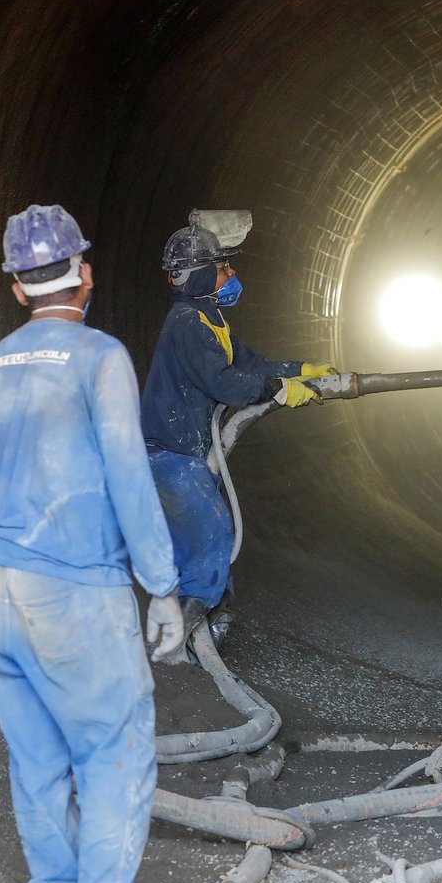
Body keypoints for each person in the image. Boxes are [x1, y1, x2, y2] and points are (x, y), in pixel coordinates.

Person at [0, 204, 186, 883]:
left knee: (38, 757)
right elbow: (129, 474)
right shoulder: (100, 358)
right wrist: (162, 587)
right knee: (115, 747)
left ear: (19, 291)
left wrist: (0, 584)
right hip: (73, 590)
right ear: (84, 274)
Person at [140, 210, 334, 646]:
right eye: (223, 267)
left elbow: (247, 364)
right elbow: (224, 382)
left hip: (188, 454)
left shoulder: (212, 320)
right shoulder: (186, 323)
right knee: (213, 532)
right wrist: (278, 390)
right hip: (167, 455)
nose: (231, 274)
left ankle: (213, 620)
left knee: (207, 536)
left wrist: (300, 370)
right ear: (199, 275)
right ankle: (176, 640)